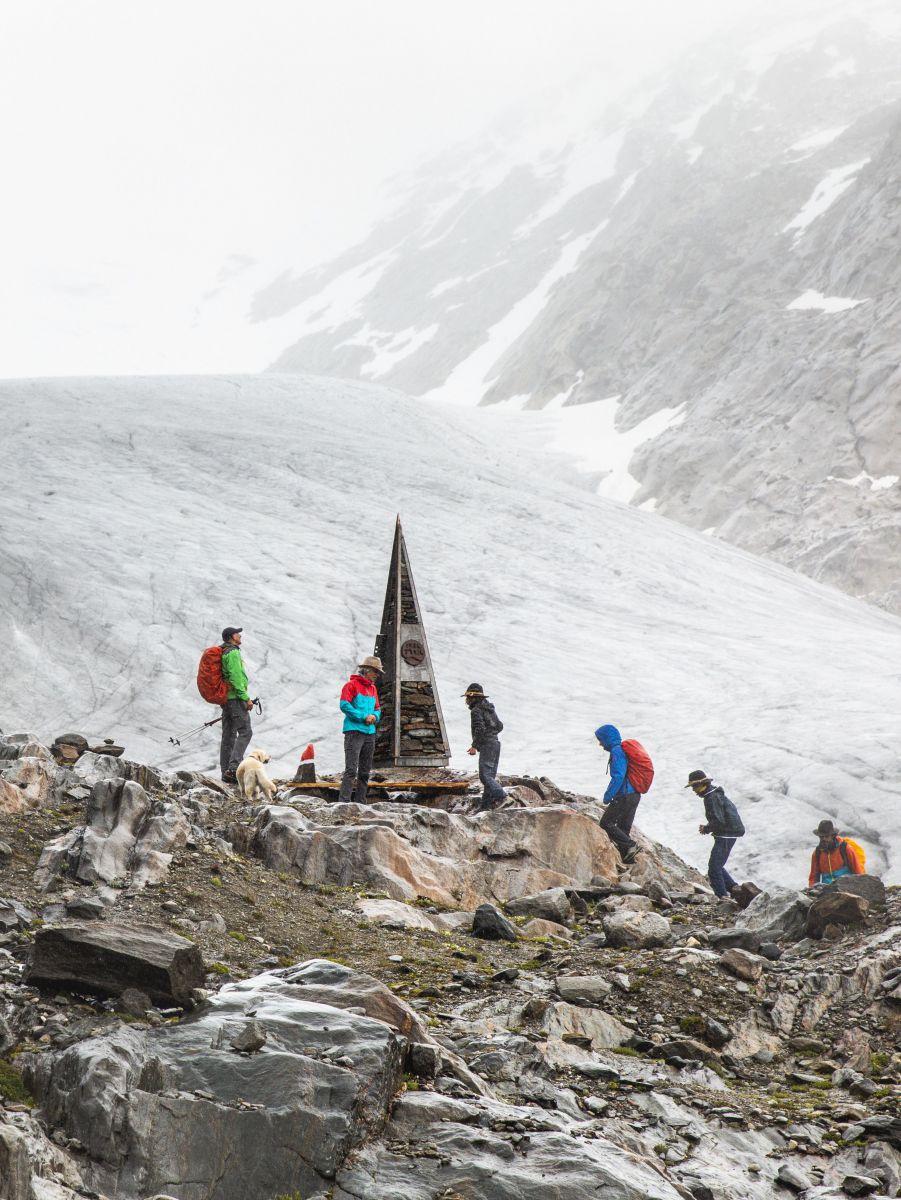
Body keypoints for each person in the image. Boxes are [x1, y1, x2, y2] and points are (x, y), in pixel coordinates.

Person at [685, 769, 745, 899]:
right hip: (728, 834)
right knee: (717, 865)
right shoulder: (714, 794)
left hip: (725, 835)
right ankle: (735, 889)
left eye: (695, 786)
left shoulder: (711, 798)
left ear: (704, 784)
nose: (693, 789)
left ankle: (723, 897)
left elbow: (718, 820)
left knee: (713, 869)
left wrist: (706, 828)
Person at [595, 724, 643, 863]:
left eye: (601, 739)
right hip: (635, 795)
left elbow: (618, 776)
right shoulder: (622, 750)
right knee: (623, 828)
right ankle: (627, 860)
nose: (600, 744)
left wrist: (608, 796)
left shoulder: (617, 751)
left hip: (624, 795)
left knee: (606, 823)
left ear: (607, 738)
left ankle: (631, 845)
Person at [338, 655, 383, 803]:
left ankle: (360, 803)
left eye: (378, 672)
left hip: (370, 733)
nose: (377, 675)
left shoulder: (373, 689)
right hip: (354, 732)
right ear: (366, 670)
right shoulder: (350, 685)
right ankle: (343, 803)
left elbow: (377, 708)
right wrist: (364, 717)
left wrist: (375, 717)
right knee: (351, 770)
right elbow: (344, 705)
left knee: (364, 772)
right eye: (375, 672)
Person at [464, 684, 506, 812]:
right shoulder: (489, 708)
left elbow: (480, 730)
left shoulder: (476, 711)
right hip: (496, 744)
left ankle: (502, 796)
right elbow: (499, 726)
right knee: (490, 777)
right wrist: (492, 734)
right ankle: (485, 807)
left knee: (484, 776)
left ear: (473, 698)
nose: (466, 700)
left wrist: (474, 746)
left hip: (487, 745)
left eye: (467, 697)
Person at [219, 626, 254, 784]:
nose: (240, 635)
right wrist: (245, 698)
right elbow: (236, 677)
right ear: (232, 637)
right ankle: (233, 769)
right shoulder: (233, 652)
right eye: (237, 633)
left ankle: (225, 772)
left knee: (228, 735)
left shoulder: (224, 651)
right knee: (245, 732)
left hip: (226, 700)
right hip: (235, 699)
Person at [808, 819, 865, 886]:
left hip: (847, 888)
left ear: (832, 835)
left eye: (826, 836)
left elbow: (858, 871)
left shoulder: (845, 848)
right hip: (827, 891)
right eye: (821, 837)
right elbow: (813, 878)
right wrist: (812, 891)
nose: (823, 839)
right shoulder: (817, 853)